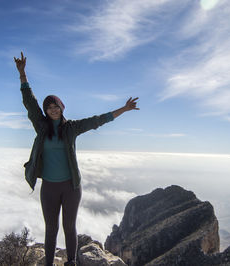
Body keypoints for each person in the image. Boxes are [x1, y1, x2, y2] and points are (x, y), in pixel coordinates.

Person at [14, 52, 139, 266]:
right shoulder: (41, 126)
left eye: (56, 106)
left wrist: (124, 109)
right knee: (51, 228)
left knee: (69, 227)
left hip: (71, 186)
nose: (53, 110)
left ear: (62, 108)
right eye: (49, 107)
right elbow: (29, 102)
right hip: (49, 187)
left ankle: (71, 262)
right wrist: (23, 74)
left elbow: (98, 120)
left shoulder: (71, 128)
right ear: (45, 111)